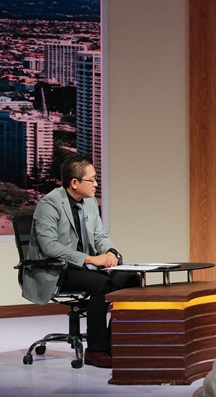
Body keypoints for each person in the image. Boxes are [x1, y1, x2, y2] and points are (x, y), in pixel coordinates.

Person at [22, 154, 141, 368]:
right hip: (55, 270)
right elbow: (50, 247)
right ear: (74, 183)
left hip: (84, 268)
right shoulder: (49, 204)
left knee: (131, 278)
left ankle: (114, 342)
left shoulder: (90, 202)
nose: (96, 184)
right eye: (91, 179)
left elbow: (99, 235)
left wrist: (110, 253)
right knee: (101, 284)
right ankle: (95, 350)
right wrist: (91, 259)